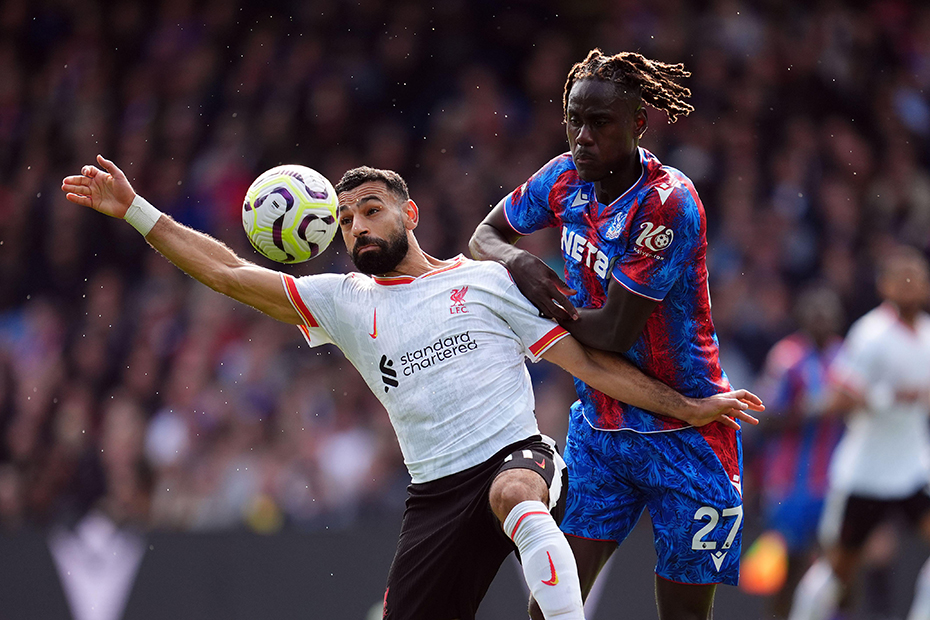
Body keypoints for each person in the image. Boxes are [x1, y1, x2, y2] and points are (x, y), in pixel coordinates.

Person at [61, 156, 762, 620]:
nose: (357, 227)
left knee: (515, 494)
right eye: (345, 220)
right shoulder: (342, 301)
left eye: (370, 210)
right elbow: (226, 272)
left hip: (517, 456)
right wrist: (137, 210)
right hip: (434, 496)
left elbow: (594, 368)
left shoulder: (488, 282)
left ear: (411, 213)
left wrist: (689, 407)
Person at [469, 49, 742, 619]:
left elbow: (614, 332)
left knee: (684, 617)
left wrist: (531, 316)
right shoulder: (564, 177)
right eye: (574, 120)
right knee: (551, 608)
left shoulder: (667, 202)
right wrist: (519, 264)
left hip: (687, 432)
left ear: (638, 123)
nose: (582, 138)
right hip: (601, 431)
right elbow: (484, 237)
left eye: (600, 123)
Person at [789, 246, 930, 620]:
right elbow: (840, 397)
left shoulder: (928, 335)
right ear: (885, 286)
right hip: (867, 471)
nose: (911, 284)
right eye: (902, 278)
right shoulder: (870, 334)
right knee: (840, 570)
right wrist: (890, 397)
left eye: (917, 277)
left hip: (914, 467)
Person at [750, 285, 846, 618]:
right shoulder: (787, 357)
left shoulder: (847, 356)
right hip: (789, 481)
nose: (822, 319)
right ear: (802, 317)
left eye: (828, 313)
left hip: (834, 479)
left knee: (836, 565)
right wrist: (805, 410)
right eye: (815, 313)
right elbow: (763, 417)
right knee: (788, 567)